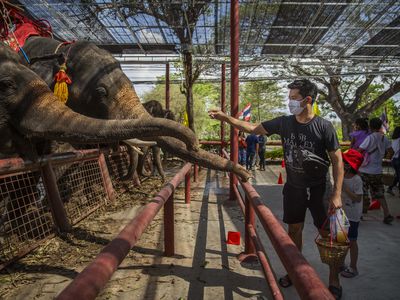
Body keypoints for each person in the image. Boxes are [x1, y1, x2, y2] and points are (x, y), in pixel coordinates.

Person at [209, 79, 344, 299]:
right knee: (293, 231)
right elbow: (252, 128)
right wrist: (225, 117)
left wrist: (337, 195)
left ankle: (334, 279)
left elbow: (338, 161)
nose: (289, 102)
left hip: (321, 189)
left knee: (329, 234)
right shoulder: (284, 123)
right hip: (294, 188)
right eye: (289, 98)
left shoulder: (324, 126)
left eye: (293, 98)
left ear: (307, 100)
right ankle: (294, 271)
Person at [357, 118, 393, 224]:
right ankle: (387, 214)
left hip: (365, 170)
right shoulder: (384, 138)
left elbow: (360, 150)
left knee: (362, 192)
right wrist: (383, 157)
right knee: (380, 194)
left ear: (370, 127)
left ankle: (360, 214)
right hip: (377, 170)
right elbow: (391, 151)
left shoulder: (370, 138)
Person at [340, 149, 364, 278]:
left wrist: (345, 189)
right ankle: (341, 263)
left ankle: (353, 267)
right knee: (342, 240)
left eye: (343, 162)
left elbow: (358, 198)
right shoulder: (342, 176)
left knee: (352, 241)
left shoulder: (356, 179)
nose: (341, 163)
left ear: (348, 165)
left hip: (353, 216)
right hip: (342, 213)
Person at [387, 126, 400, 197]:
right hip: (398, 159)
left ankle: (390, 188)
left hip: (393, 160)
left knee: (398, 176)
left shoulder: (394, 140)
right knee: (398, 175)